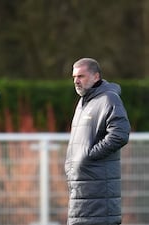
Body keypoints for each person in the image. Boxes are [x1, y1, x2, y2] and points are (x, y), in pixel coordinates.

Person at [65, 58, 130, 225]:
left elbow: (120, 134)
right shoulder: (83, 103)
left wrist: (89, 156)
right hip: (81, 193)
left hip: (99, 197)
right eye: (74, 77)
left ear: (96, 76)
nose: (76, 81)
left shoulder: (109, 99)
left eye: (81, 76)